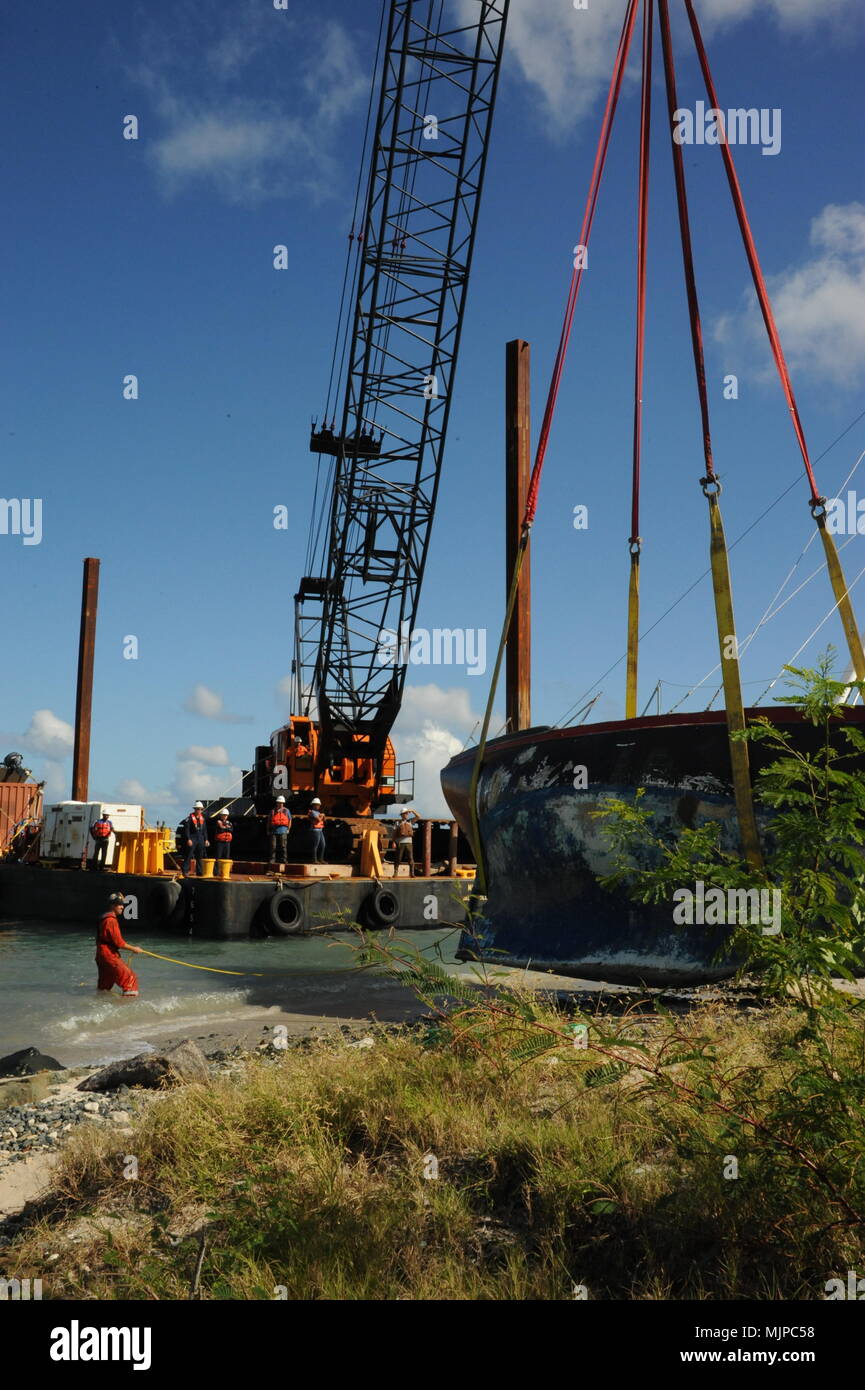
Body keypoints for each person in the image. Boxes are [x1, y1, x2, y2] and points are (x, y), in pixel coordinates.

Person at [95, 892, 142, 995]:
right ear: (112, 906)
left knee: (104, 986)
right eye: (119, 904)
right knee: (130, 978)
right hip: (108, 956)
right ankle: (129, 1008)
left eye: (122, 904)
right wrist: (134, 949)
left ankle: (100, 1002)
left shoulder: (105, 918)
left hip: (101, 955)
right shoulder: (110, 921)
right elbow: (119, 943)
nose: (122, 907)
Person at [183, 801, 209, 876]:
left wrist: (206, 839)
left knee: (200, 856)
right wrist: (188, 839)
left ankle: (199, 871)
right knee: (189, 855)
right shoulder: (189, 818)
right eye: (197, 809)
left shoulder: (203, 818)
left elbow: (204, 830)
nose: (199, 810)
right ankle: (185, 871)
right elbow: (187, 829)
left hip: (200, 838)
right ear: (195, 809)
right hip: (192, 837)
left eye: (200, 809)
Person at [392, 806, 418, 873]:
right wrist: (394, 842)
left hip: (409, 843)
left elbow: (418, 816)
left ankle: (412, 873)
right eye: (405, 813)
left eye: (407, 813)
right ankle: (395, 872)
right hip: (400, 843)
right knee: (398, 858)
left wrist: (412, 811)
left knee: (410, 858)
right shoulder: (398, 822)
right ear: (402, 815)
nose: (407, 814)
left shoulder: (410, 821)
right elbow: (394, 833)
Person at [269, 796, 292, 868]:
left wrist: (288, 829)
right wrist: (268, 830)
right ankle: (272, 859)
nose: (280, 804)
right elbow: (269, 821)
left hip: (283, 830)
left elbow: (290, 820)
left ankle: (284, 859)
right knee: (273, 846)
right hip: (274, 830)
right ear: (277, 803)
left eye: (282, 803)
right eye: (279, 803)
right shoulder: (272, 811)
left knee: (283, 845)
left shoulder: (286, 811)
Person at [88, 808, 114, 872]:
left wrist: (116, 833)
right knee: (96, 853)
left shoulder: (109, 823)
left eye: (108, 815)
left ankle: (101, 867)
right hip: (98, 839)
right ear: (103, 815)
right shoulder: (97, 821)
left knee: (104, 854)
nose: (107, 816)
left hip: (105, 840)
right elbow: (91, 828)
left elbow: (112, 829)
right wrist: (93, 836)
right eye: (106, 815)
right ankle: (94, 867)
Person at [308, 798, 326, 864]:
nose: (318, 806)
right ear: (314, 805)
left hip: (320, 830)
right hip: (315, 830)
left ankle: (321, 859)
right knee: (316, 845)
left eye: (319, 805)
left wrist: (323, 816)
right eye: (317, 805)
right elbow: (318, 820)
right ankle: (314, 860)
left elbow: (323, 820)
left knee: (323, 845)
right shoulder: (312, 812)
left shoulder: (318, 812)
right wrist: (322, 815)